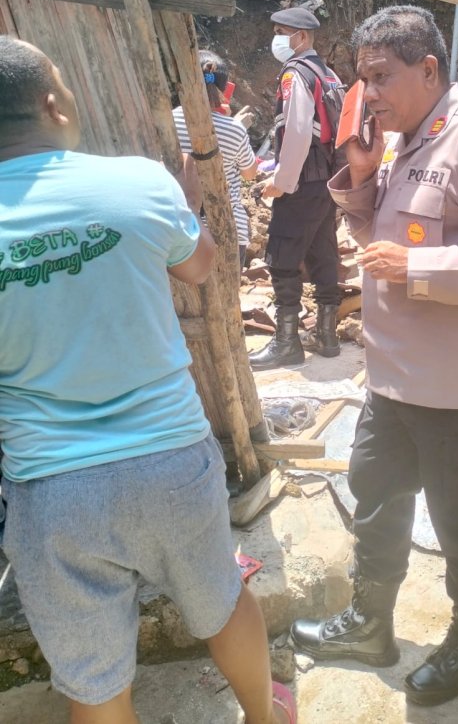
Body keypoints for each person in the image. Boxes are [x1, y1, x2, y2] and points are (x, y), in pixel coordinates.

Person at [0, 37, 295, 724]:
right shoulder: (139, 183)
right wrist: (179, 213)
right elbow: (199, 267)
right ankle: (266, 717)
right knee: (221, 602)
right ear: (52, 101)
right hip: (169, 461)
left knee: (95, 679)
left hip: (51, 488)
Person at [290, 6, 458, 707]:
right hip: (393, 380)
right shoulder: (404, 142)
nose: (369, 93)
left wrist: (421, 268)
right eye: (363, 79)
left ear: (429, 69)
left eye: (381, 77)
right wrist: (360, 176)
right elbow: (374, 235)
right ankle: (370, 625)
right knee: (378, 502)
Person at [249, 7, 343, 371]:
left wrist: (282, 181)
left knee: (282, 256)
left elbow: (298, 129)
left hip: (303, 180)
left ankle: (287, 343)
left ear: (301, 38)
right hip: (327, 181)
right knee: (323, 253)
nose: (276, 39)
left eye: (282, 31)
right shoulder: (329, 74)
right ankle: (327, 336)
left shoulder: (295, 74)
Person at [173, 49, 257, 276]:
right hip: (228, 229)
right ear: (222, 87)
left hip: (181, 229)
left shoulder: (169, 121)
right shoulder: (234, 129)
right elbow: (250, 173)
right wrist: (231, 123)